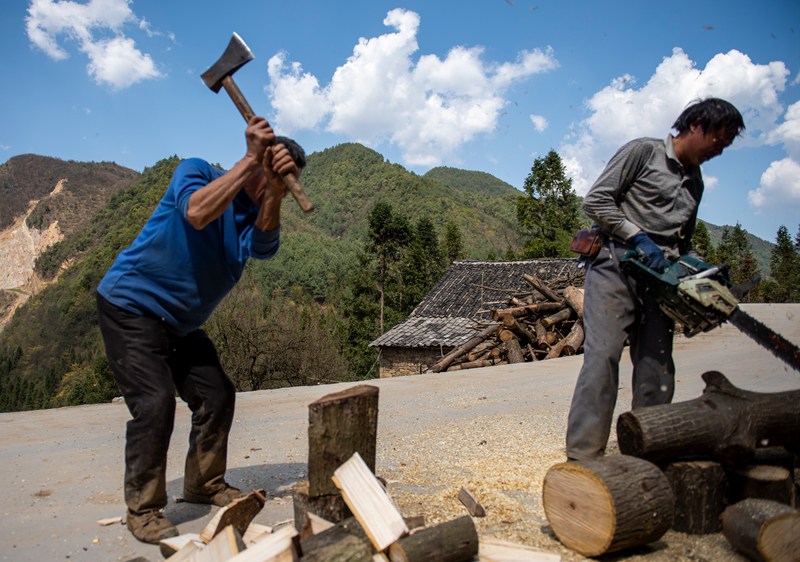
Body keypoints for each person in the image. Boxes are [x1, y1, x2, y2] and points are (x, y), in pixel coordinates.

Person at [96, 116, 306, 543]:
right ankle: (144, 508)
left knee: (217, 394)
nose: (272, 185)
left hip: (181, 325)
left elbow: (265, 248)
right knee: (155, 403)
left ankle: (203, 484)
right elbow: (195, 213)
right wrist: (252, 160)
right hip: (131, 307)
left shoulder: (257, 213)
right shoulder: (195, 171)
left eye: (284, 181)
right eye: (274, 175)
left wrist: (276, 193)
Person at [565, 97, 745, 461]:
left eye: (726, 146)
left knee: (656, 366)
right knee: (602, 358)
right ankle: (583, 457)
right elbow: (596, 201)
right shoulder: (643, 152)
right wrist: (636, 235)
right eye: (718, 141)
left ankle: (649, 451)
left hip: (660, 279)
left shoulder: (695, 183)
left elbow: (682, 241)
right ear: (697, 126)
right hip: (615, 264)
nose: (719, 151)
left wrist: (698, 269)